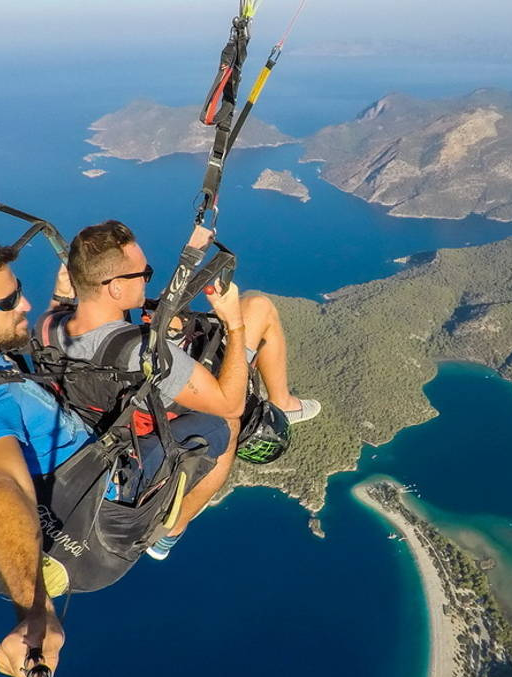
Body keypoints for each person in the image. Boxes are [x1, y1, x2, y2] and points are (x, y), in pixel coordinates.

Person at [0, 229, 233, 677]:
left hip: (73, 460)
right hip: (102, 514)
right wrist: (35, 612)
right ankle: (168, 532)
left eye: (17, 292)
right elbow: (4, 487)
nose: (23, 304)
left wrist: (61, 303)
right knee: (225, 426)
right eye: (7, 303)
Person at [43, 220, 320, 558]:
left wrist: (61, 296)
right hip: (156, 420)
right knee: (229, 419)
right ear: (114, 289)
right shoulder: (142, 351)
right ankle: (172, 529)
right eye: (142, 274)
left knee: (224, 316)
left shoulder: (51, 326)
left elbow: (70, 315)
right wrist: (233, 323)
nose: (147, 278)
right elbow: (229, 404)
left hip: (111, 413)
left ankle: (284, 402)